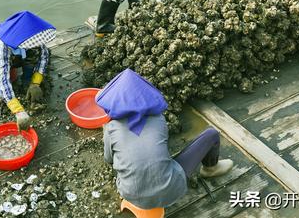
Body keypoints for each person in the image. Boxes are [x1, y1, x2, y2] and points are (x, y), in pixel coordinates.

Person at [96, 69, 234, 209]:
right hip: (171, 190)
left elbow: (108, 159)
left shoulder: (111, 128)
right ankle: (210, 169)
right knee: (212, 134)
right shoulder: (158, 119)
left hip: (130, 193)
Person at [0, 11, 55, 130]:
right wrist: (18, 110)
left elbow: (44, 56)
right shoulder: (0, 44)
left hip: (16, 54)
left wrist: (35, 83)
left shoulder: (33, 35)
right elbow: (2, 79)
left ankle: (27, 79)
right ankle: (0, 86)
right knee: (6, 78)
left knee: (35, 52)